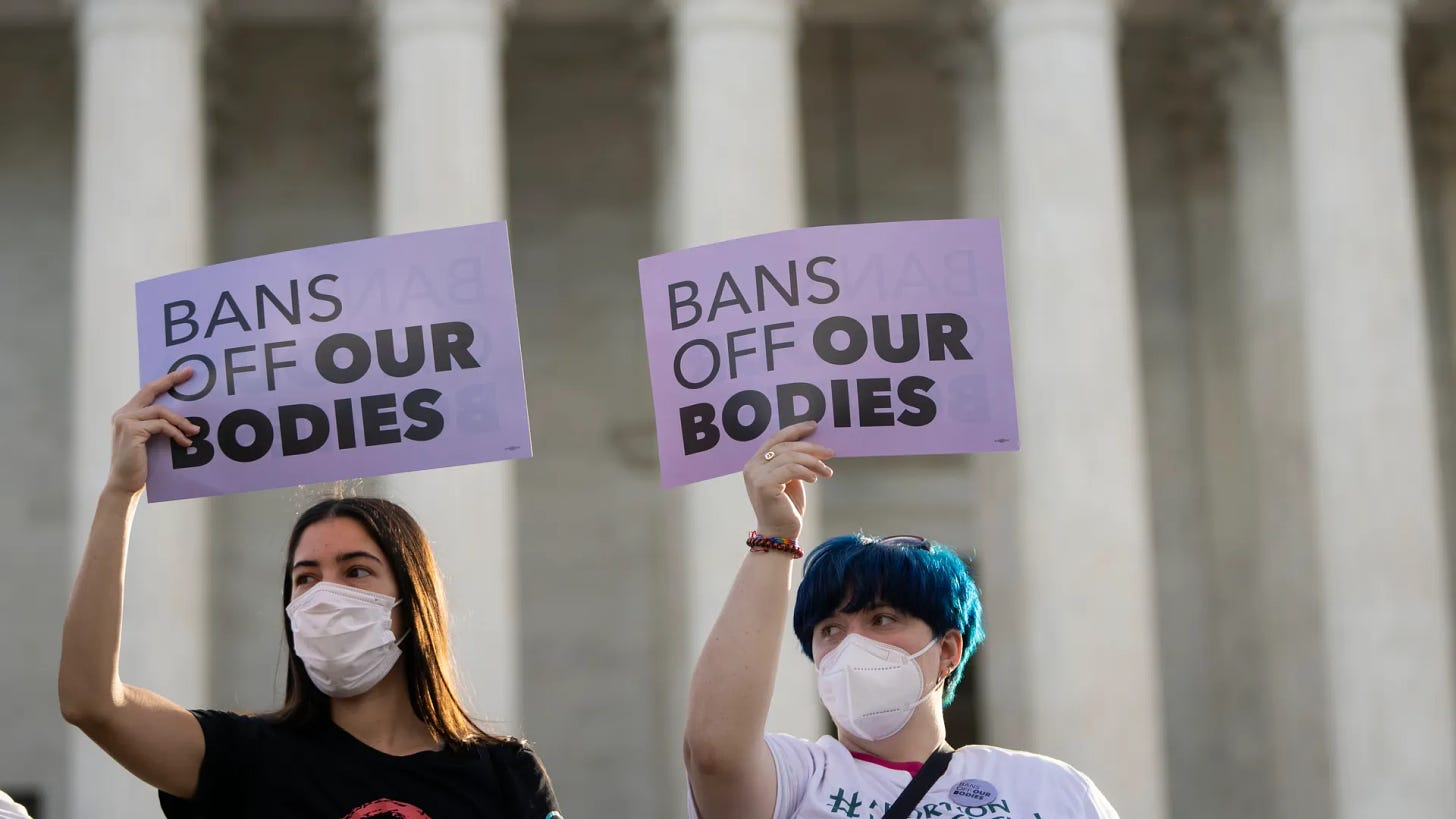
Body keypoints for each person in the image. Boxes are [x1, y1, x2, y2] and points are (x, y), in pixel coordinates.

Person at [59, 369, 562, 818]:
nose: (326, 595)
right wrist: (120, 494)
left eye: (357, 571)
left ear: (413, 602)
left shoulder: (504, 773)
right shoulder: (246, 757)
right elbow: (92, 704)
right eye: (305, 577)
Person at [684, 421, 1117, 819]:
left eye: (883, 619)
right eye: (830, 629)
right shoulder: (795, 781)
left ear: (948, 650)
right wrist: (775, 537)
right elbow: (713, 752)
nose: (851, 643)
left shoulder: (1050, 791)